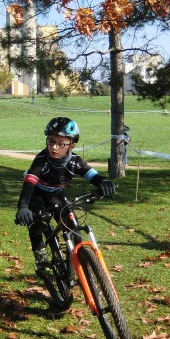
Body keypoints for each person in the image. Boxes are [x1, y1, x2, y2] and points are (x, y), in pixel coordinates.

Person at [15, 117, 116, 274]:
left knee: (75, 230)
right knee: (36, 223)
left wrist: (103, 182)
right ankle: (40, 253)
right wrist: (23, 207)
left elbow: (91, 174)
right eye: (50, 141)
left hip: (57, 195)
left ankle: (77, 263)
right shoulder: (41, 160)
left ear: (72, 145)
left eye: (61, 143)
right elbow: (29, 183)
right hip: (37, 195)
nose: (54, 147)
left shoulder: (75, 161)